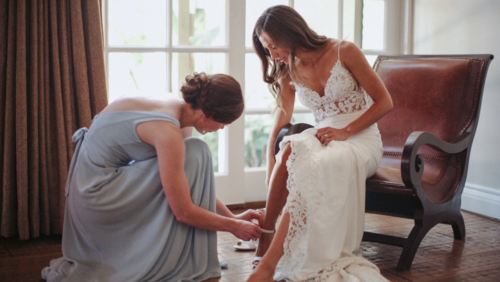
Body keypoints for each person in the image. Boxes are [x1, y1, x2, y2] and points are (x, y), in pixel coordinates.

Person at [41, 72, 263, 282]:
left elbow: (186, 183)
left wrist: (234, 219)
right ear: (206, 115)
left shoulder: (178, 110)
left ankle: (190, 258)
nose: (223, 128)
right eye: (224, 123)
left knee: (196, 151)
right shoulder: (168, 132)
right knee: (198, 151)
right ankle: (181, 260)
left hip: (96, 181)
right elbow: (183, 211)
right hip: (96, 193)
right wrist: (232, 227)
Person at [246, 5, 393, 282]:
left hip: (361, 139)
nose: (272, 54)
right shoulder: (288, 68)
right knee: (291, 146)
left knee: (311, 158)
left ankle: (268, 263)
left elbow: (385, 102)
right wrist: (271, 171)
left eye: (273, 46)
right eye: (267, 50)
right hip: (325, 137)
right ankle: (266, 237)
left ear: (290, 32)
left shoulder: (344, 51)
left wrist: (346, 131)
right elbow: (279, 126)